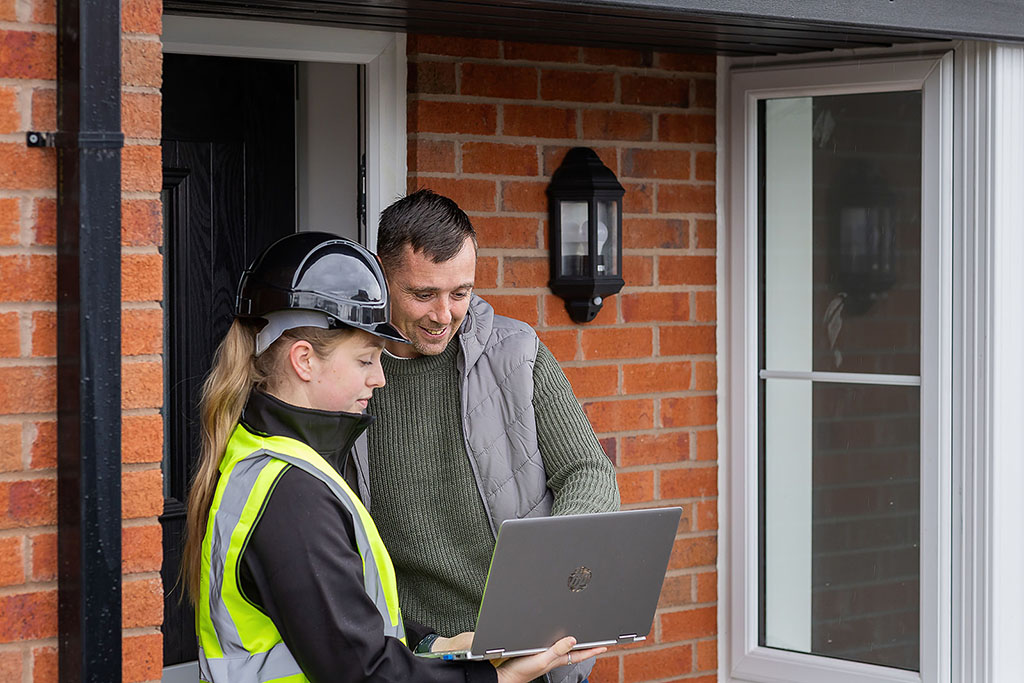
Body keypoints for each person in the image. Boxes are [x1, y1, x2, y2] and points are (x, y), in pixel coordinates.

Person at [182, 231, 605, 683]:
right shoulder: (291, 493)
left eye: (460, 293)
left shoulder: (273, 457)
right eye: (366, 360)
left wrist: (435, 644)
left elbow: (348, 621)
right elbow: (365, 669)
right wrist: (497, 680)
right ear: (304, 361)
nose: (380, 379)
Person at [353, 190, 620, 683]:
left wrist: (551, 575)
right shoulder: (348, 377)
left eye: (460, 293)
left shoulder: (517, 353)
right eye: (423, 294)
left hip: (535, 650)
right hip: (424, 660)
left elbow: (588, 471)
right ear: (381, 276)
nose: (444, 315)